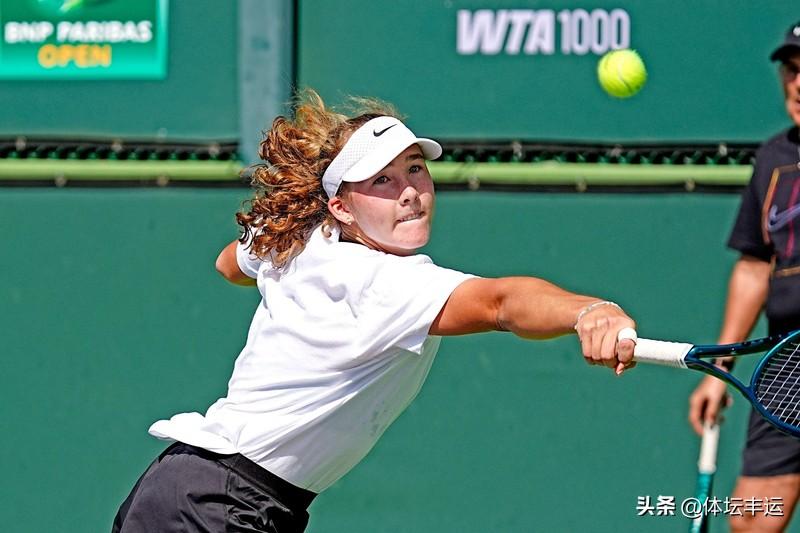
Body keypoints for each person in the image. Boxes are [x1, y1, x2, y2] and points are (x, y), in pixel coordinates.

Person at [112, 90, 637, 533]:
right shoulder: (384, 282)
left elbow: (229, 264)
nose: (409, 192)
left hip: (194, 491)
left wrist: (277, 260)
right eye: (381, 181)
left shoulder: (304, 238)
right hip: (218, 505)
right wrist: (591, 310)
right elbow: (501, 302)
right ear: (341, 205)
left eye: (415, 169)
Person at [688, 21, 800, 532]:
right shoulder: (774, 157)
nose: (798, 84)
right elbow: (755, 265)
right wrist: (722, 365)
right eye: (791, 70)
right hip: (787, 363)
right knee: (751, 520)